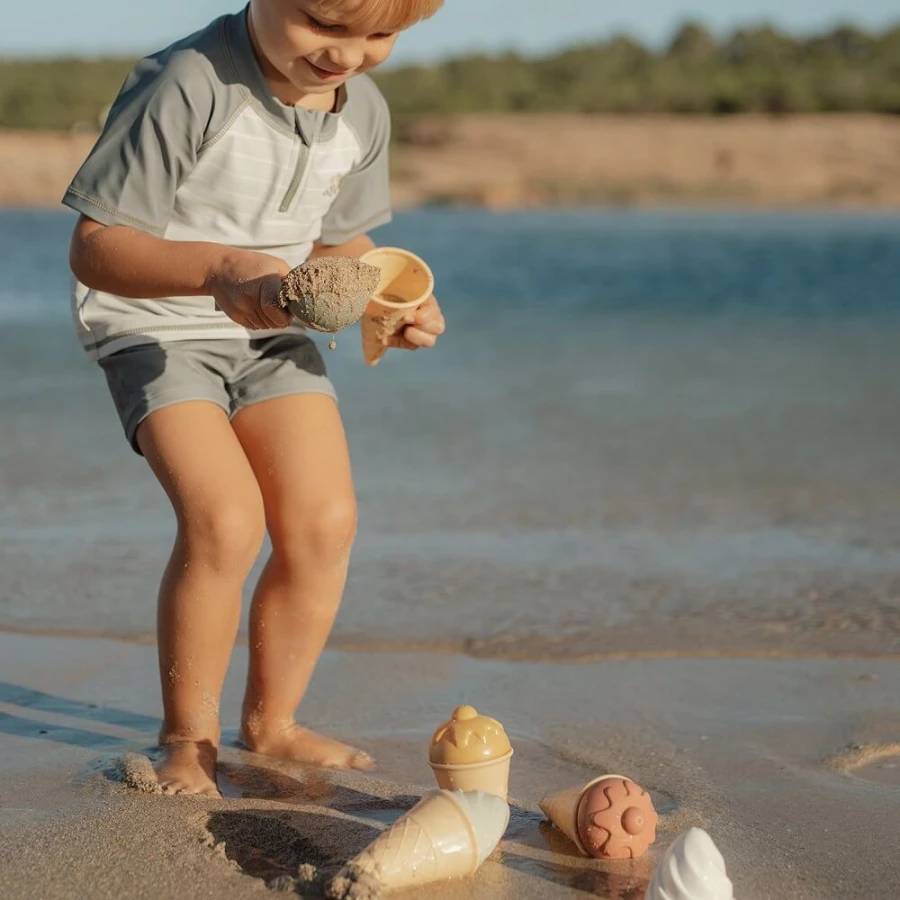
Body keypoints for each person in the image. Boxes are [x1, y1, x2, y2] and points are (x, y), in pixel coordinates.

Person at [62, 0, 446, 798]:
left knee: (323, 522)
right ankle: (188, 741)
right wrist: (221, 272)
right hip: (156, 327)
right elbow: (97, 248)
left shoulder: (361, 111)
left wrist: (390, 305)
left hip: (273, 327)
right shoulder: (188, 81)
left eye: (379, 36)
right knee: (224, 521)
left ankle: (272, 722)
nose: (347, 56)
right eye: (325, 26)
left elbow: (341, 247)